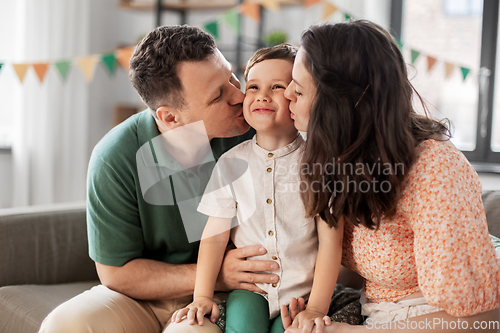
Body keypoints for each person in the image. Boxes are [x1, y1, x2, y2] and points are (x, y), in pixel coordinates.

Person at [38, 25, 281, 333]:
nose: (239, 95)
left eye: (232, 76)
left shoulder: (257, 133)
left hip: (225, 298)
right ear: (169, 117)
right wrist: (216, 273)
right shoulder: (114, 158)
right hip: (144, 297)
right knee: (63, 325)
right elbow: (115, 273)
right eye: (218, 95)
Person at [280, 20, 500, 332]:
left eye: (299, 89)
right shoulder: (339, 156)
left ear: (345, 105)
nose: (286, 93)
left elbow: (483, 320)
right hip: (377, 314)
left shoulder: (435, 169)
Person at [166, 44, 344, 333]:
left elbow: (330, 243)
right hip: (252, 291)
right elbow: (214, 237)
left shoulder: (322, 164)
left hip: (304, 293)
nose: (262, 95)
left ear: (297, 97)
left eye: (277, 87)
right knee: (243, 328)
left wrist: (316, 308)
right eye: (253, 87)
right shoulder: (230, 163)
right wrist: (202, 296)